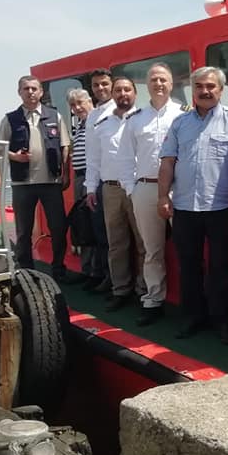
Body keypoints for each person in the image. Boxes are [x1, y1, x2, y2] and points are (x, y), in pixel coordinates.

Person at [158, 66, 228, 342]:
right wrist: (162, 196)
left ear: (221, 89)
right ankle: (192, 317)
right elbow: (168, 162)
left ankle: (223, 321)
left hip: (221, 207)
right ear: (192, 90)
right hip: (185, 207)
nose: (205, 91)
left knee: (220, 267)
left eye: (211, 86)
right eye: (199, 86)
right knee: (188, 266)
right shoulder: (180, 123)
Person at [118, 63, 184, 326]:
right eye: (154, 79)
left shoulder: (184, 115)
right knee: (151, 249)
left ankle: (190, 302)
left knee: (187, 249)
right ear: (147, 85)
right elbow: (125, 158)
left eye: (163, 79)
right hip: (145, 188)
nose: (159, 84)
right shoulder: (135, 119)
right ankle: (154, 299)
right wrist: (132, 190)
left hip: (179, 189)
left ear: (171, 84)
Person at [0, 75, 71, 281]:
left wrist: (65, 174)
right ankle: (26, 271)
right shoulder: (10, 119)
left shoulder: (55, 116)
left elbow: (65, 146)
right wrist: (15, 157)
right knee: (23, 231)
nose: (30, 92)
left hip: (51, 183)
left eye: (34, 88)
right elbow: (0, 149)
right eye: (26, 89)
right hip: (23, 184)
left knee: (58, 228)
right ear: (19, 92)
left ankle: (59, 269)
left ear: (41, 92)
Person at [85, 76, 146, 311]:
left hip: (138, 187)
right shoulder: (101, 123)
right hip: (110, 188)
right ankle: (120, 289)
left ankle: (144, 291)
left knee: (143, 243)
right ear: (113, 94)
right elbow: (93, 158)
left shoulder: (143, 118)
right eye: (118, 90)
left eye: (127, 89)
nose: (122, 94)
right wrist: (91, 188)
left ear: (135, 93)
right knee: (116, 243)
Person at [67, 88, 105, 289]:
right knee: (83, 225)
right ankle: (87, 269)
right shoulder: (80, 126)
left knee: (95, 226)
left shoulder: (98, 121)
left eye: (80, 102)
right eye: (73, 105)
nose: (77, 108)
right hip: (80, 177)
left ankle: (98, 272)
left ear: (90, 101)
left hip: (94, 178)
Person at [86, 68, 115, 293]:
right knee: (103, 234)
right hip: (103, 185)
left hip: (125, 183)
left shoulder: (125, 110)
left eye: (104, 83)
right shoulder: (92, 116)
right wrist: (90, 187)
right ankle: (108, 277)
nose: (100, 88)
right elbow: (92, 155)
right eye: (96, 85)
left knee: (124, 238)